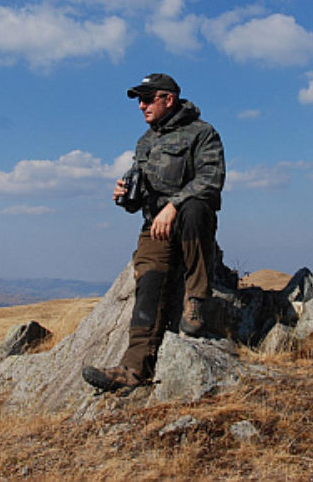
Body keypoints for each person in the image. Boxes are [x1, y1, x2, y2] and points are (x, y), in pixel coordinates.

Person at [82, 73, 226, 392]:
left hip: (191, 222)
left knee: (195, 207)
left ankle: (197, 300)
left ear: (168, 99)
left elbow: (211, 181)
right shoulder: (146, 141)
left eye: (148, 99)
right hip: (155, 228)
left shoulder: (202, 133)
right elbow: (140, 196)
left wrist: (173, 205)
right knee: (148, 282)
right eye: (139, 100)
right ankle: (133, 370)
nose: (142, 106)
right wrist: (126, 195)